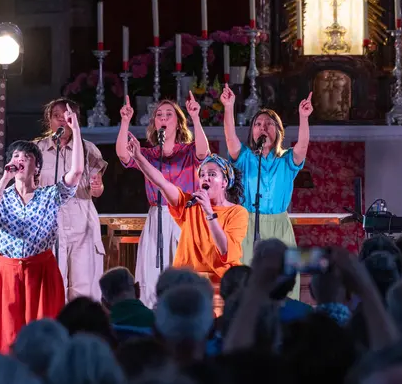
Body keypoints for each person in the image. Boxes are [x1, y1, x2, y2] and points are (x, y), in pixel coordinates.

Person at [0, 103, 83, 354]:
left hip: (42, 271)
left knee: (43, 338)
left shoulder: (49, 195)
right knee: (8, 338)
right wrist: (4, 180)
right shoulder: (1, 196)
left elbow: (77, 171)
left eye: (26, 157)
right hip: (8, 272)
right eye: (16, 156)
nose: (20, 160)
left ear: (37, 167)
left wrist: (76, 129)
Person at [116, 93, 210, 307]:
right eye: (159, 115)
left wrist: (196, 117)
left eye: (169, 114)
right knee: (152, 273)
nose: (164, 118)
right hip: (157, 214)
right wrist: (125, 121)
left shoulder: (188, 151)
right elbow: (123, 154)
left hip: (183, 215)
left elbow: (203, 152)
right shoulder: (148, 154)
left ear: (178, 122)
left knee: (182, 273)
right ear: (154, 123)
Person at [221, 84, 313, 299]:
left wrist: (304, 118)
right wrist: (228, 107)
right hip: (248, 223)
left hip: (279, 224)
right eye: (258, 124)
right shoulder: (244, 157)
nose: (263, 127)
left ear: (278, 131)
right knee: (248, 281)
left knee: (283, 281)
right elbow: (230, 138)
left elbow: (302, 146)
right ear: (252, 131)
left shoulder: (287, 159)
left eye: (269, 124)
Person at [127, 135, 248, 282]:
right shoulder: (190, 204)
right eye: (202, 175)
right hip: (187, 281)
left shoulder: (237, 213)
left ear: (225, 182)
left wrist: (209, 212)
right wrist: (138, 158)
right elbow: (162, 183)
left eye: (212, 174)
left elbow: (225, 249)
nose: (205, 178)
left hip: (220, 282)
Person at [34, 98, 107, 301]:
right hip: (48, 223)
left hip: (81, 221)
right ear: (49, 120)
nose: (61, 121)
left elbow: (97, 190)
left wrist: (98, 187)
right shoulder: (36, 149)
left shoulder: (88, 149)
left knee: (83, 286)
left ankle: (81, 320)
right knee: (52, 285)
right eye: (56, 116)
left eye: (66, 117)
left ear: (75, 119)